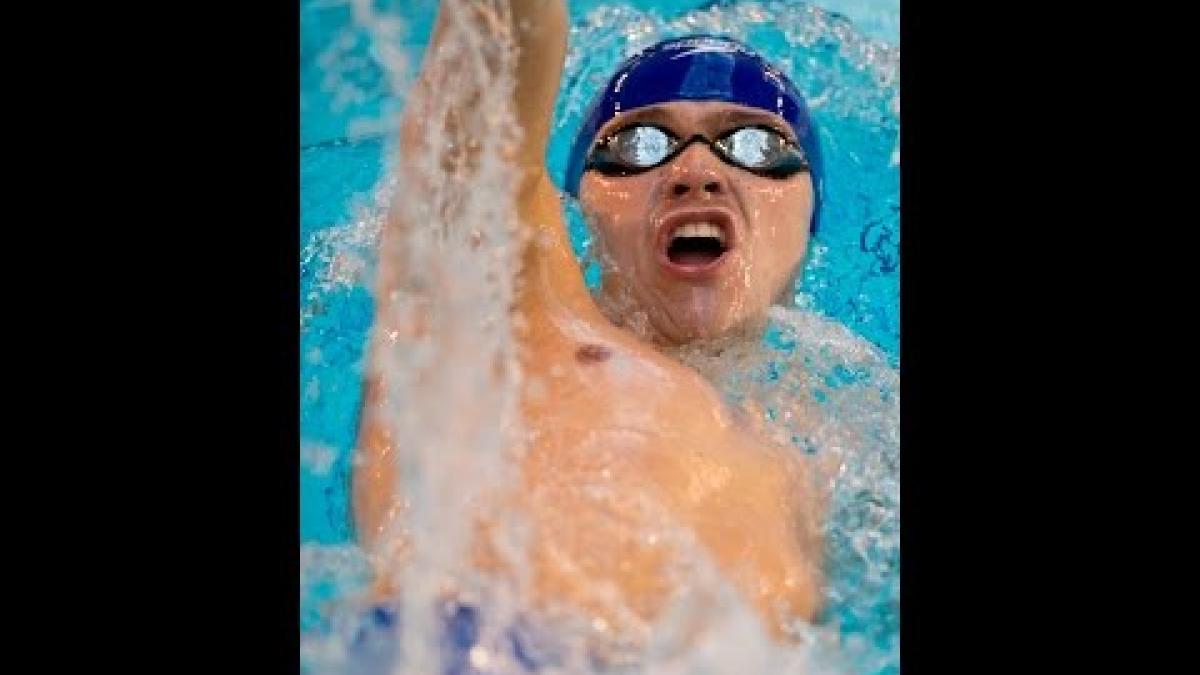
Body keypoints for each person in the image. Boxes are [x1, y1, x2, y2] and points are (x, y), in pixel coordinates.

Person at [353, 0, 834, 648]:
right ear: (577, 211)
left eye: (757, 145)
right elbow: (495, 48)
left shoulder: (844, 440)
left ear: (811, 218)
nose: (697, 174)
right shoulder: (513, 320)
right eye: (638, 147)